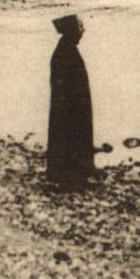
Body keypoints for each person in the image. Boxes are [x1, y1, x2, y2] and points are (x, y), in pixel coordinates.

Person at [46, 14, 95, 190]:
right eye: (80, 27)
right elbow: (63, 84)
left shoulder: (66, 49)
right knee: (71, 137)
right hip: (70, 108)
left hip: (72, 106)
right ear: (71, 31)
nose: (83, 30)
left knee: (72, 138)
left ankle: (74, 174)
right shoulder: (65, 52)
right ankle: (72, 177)